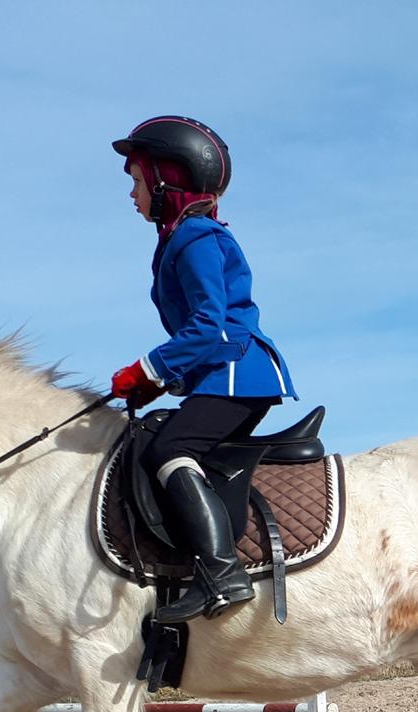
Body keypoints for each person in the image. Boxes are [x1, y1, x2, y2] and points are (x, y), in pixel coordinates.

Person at [109, 116, 297, 623]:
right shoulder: (183, 237)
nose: (131, 194)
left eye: (137, 181)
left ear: (165, 181)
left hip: (239, 373)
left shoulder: (194, 236)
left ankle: (222, 573)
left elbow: (209, 327)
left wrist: (147, 369)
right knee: (161, 438)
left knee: (171, 449)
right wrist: (161, 382)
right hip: (225, 374)